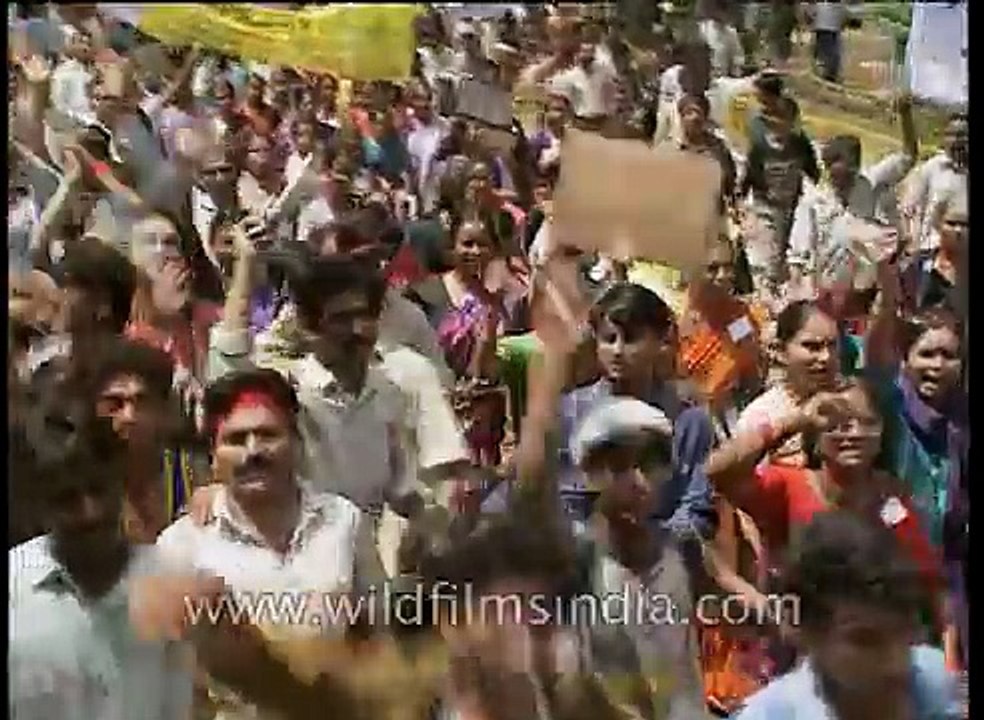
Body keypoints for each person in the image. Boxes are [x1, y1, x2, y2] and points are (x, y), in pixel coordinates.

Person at [155, 368, 386, 716]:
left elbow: (378, 635)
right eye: (235, 439)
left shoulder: (342, 522)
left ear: (295, 442)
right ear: (214, 455)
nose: (253, 452)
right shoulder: (182, 545)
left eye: (267, 435)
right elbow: (168, 675)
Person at [9, 410, 195, 718]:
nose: (90, 513)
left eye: (98, 489)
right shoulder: (13, 588)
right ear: (37, 502)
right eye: (67, 498)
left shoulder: (173, 579)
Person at [736, 512, 962, 719]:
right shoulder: (768, 715)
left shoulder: (932, 683)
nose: (895, 662)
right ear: (805, 631)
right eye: (864, 640)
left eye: (903, 634)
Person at [557, 283, 716, 542]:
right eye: (609, 339)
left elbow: (698, 510)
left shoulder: (689, 420)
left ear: (661, 339)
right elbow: (566, 503)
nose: (618, 351)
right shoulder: (572, 410)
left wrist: (648, 543)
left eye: (631, 339)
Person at [787, 95, 918, 298]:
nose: (843, 181)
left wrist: (905, 116)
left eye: (849, 173)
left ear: (857, 167)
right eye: (837, 175)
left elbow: (908, 157)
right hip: (826, 287)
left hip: (863, 290)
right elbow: (800, 250)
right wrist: (798, 287)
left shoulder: (870, 182)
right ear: (827, 168)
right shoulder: (814, 201)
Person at [85, 339, 203, 542]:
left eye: (143, 401)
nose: (130, 416)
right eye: (115, 404)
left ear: (162, 408)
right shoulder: (79, 479)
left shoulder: (190, 472)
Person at [734, 300, 842, 467]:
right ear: (781, 351)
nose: (826, 357)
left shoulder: (858, 404)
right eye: (812, 346)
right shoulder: (760, 417)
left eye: (833, 345)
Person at [740, 95, 819, 304]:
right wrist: (740, 198)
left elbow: (813, 171)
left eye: (784, 120)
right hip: (765, 205)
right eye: (774, 119)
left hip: (790, 205)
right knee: (770, 253)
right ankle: (764, 295)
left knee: (784, 251)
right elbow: (749, 174)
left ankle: (775, 292)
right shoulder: (760, 147)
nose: (779, 125)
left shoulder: (800, 144)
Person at [901, 113, 968, 253]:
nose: (956, 140)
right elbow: (910, 209)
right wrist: (912, 244)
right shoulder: (932, 167)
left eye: (962, 135)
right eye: (951, 135)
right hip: (933, 252)